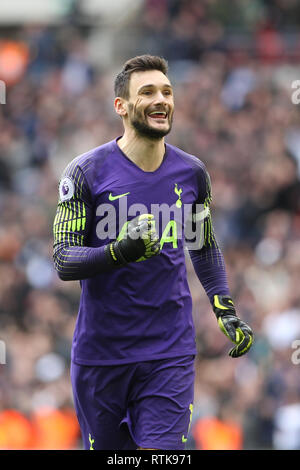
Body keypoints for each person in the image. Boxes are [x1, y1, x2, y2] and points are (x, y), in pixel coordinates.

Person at [52, 54, 254, 450]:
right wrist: (119, 252)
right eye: (147, 92)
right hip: (101, 356)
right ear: (121, 107)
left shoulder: (192, 172)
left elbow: (204, 244)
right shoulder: (85, 172)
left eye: (167, 91)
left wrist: (223, 307)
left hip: (169, 352)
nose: (161, 99)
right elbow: (63, 258)